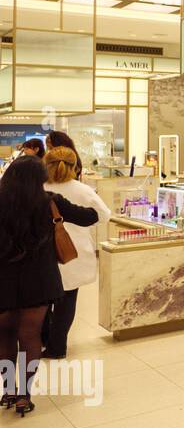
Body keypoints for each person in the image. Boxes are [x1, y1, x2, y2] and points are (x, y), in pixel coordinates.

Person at [0, 156, 100, 414]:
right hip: (39, 279)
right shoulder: (49, 201)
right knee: (30, 336)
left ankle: (9, 389)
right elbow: (91, 217)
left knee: (5, 335)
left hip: (4, 278)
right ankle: (24, 395)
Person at [41, 148, 110, 361]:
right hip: (74, 252)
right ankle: (57, 346)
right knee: (67, 300)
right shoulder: (82, 189)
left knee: (43, 301)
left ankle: (45, 339)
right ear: (74, 166)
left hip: (44, 253)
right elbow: (104, 215)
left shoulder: (39, 188)